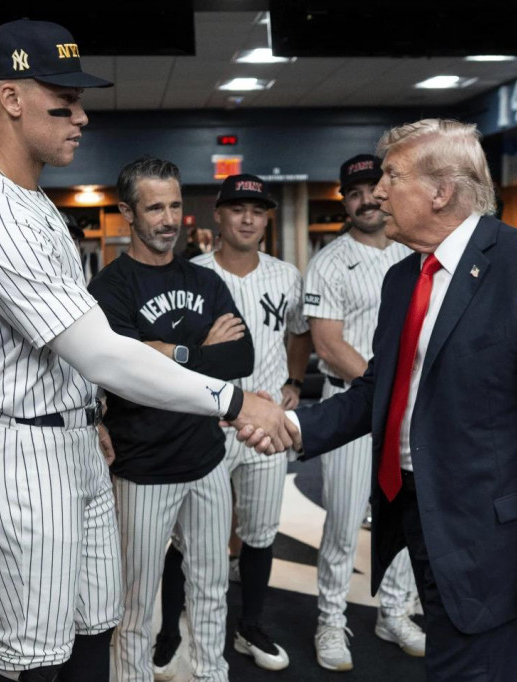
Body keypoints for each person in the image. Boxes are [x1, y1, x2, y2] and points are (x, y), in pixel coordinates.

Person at [0, 19, 290, 682]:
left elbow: (83, 352)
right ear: (11, 100)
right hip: (20, 454)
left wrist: (89, 413)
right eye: (63, 102)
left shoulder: (30, 198)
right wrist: (236, 400)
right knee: (40, 658)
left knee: (100, 624)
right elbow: (104, 351)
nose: (82, 116)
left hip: (73, 440)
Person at [262, 119, 517, 681]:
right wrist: (295, 426)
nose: (376, 192)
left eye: (391, 177)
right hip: (421, 515)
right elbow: (382, 387)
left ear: (442, 190)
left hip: (493, 539)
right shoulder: (404, 278)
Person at [88, 157, 256, 681]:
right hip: (142, 467)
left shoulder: (202, 279)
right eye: (154, 207)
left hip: (206, 461)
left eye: (175, 205)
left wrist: (165, 351)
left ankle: (211, 675)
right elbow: (123, 373)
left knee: (211, 589)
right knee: (136, 605)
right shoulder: (110, 290)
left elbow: (241, 358)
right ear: (127, 213)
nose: (167, 218)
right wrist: (197, 347)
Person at [151, 174, 313, 676]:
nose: (248, 218)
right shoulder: (190, 273)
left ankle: (251, 625)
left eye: (258, 210)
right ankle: (171, 630)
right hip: (206, 423)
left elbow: (300, 334)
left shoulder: (286, 275)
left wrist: (296, 380)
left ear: (267, 218)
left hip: (264, 422)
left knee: (261, 531)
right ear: (217, 216)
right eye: (237, 208)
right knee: (188, 538)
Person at [302, 154, 423, 670]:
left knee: (406, 514)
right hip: (352, 405)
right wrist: (384, 390)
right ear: (344, 202)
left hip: (412, 411)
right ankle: (331, 619)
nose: (367, 199)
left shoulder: (417, 253)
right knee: (345, 519)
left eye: (375, 188)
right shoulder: (330, 261)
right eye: (355, 193)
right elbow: (328, 346)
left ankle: (394, 611)